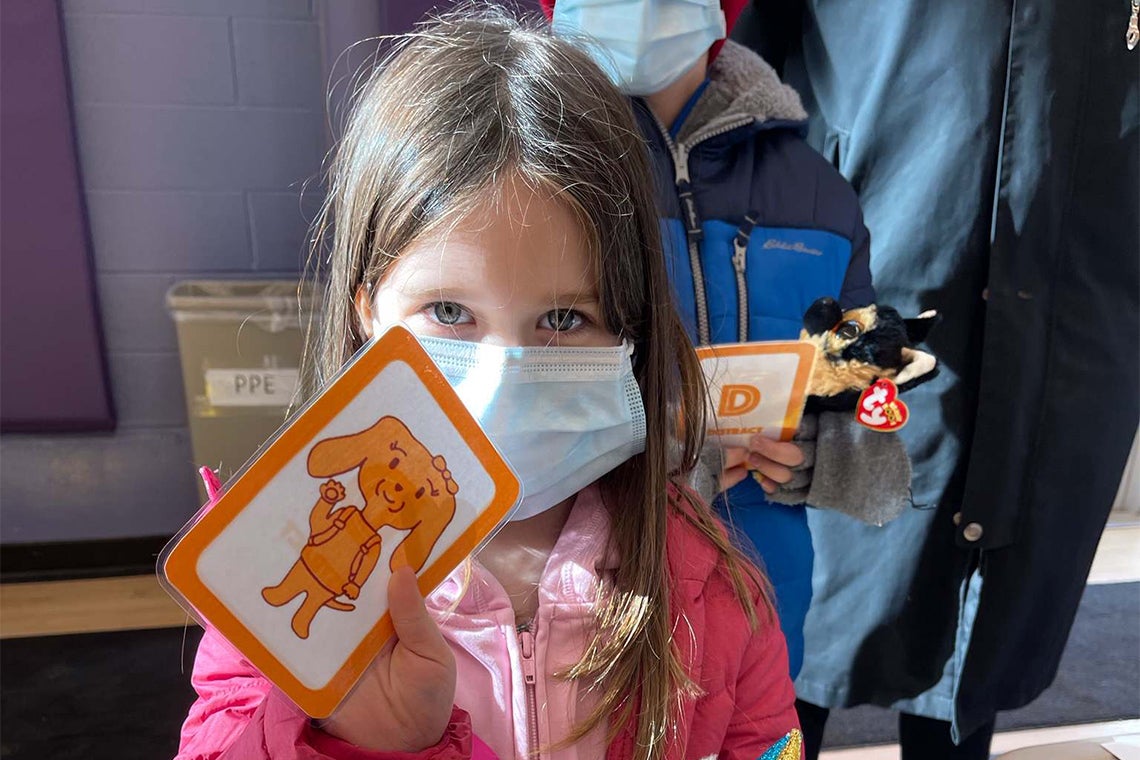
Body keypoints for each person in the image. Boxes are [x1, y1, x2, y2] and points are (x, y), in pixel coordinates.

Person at [174, 8, 802, 760]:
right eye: (450, 312)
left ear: (630, 332)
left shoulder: (716, 589)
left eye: (564, 318)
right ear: (368, 310)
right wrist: (376, 745)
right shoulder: (274, 588)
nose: (504, 378)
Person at [731, 1, 1140, 758]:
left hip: (1069, 305)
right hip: (861, 274)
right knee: (796, 632)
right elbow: (752, 55)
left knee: (974, 643)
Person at [542, 0, 893, 681]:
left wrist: (818, 457)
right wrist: (668, 460)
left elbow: (863, 389)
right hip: (583, 590)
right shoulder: (538, 166)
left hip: (765, 587)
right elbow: (488, 404)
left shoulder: (815, 190)